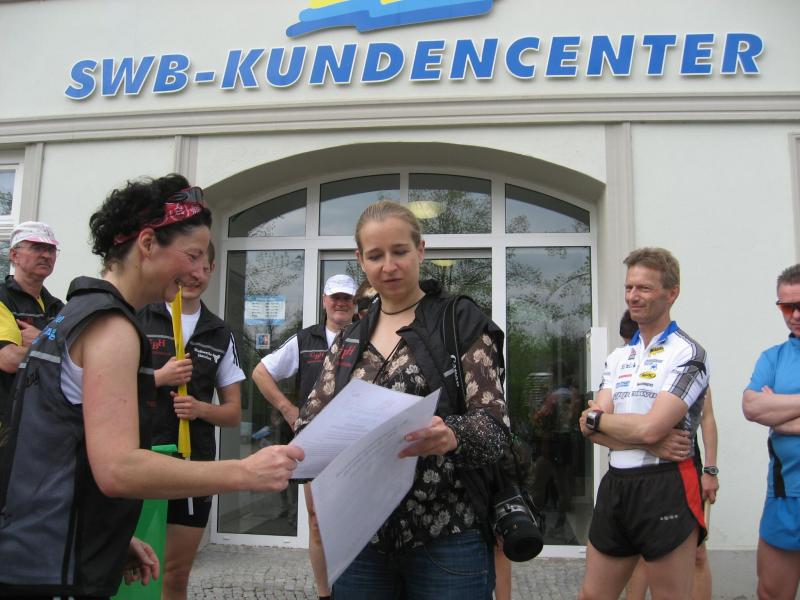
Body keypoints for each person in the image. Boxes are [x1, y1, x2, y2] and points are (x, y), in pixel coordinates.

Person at [0, 174, 303, 598]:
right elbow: (119, 469)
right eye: (192, 255)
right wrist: (244, 471)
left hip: (37, 551)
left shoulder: (73, 313)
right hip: (53, 569)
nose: (198, 272)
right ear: (146, 243)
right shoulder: (112, 328)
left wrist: (109, 533)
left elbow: (54, 450)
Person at [294, 200, 510, 599]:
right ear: (361, 260)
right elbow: (308, 424)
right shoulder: (349, 339)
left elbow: (496, 429)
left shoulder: (458, 321)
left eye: (399, 251)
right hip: (362, 541)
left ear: (420, 251)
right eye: (376, 256)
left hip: (447, 535)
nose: (389, 266)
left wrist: (451, 435)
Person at [577, 247, 709, 600]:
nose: (633, 296)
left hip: (665, 483)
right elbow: (588, 425)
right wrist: (644, 438)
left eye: (644, 288)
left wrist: (605, 421)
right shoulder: (619, 356)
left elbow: (647, 426)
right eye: (629, 287)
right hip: (617, 482)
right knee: (592, 596)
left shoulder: (688, 353)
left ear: (672, 293)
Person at [137, 240, 245, 600]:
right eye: (189, 263)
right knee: (131, 571)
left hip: (192, 464)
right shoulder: (140, 316)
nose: (195, 275)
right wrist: (158, 378)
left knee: (175, 572)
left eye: (204, 266)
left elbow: (232, 413)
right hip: (140, 458)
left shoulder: (219, 332)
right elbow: (105, 386)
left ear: (213, 270)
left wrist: (201, 409)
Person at [252, 272, 357, 600]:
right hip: (316, 444)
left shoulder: (367, 335)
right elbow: (260, 372)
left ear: (355, 303)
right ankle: (326, 593)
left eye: (347, 298)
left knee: (360, 520)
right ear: (325, 301)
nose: (340, 303)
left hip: (358, 441)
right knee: (317, 523)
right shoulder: (305, 339)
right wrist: (287, 409)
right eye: (335, 297)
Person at [620, 314, 720, 600]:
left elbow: (707, 419)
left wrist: (710, 470)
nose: (633, 347)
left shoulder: (683, 362)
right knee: (640, 552)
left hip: (684, 467)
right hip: (637, 471)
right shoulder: (624, 365)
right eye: (629, 343)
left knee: (697, 553)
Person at [742, 263, 800, 600]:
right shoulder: (773, 358)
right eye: (786, 307)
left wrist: (779, 415)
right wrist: (769, 413)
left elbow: (766, 411)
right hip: (785, 494)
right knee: (771, 593)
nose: (795, 315)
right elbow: (752, 408)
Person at [0, 221, 64, 444]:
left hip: (45, 422)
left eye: (51, 249)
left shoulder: (58, 307)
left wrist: (41, 340)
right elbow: (8, 359)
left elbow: (78, 359)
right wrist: (55, 346)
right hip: (6, 424)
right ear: (14, 255)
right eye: (37, 248)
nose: (46, 255)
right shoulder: (2, 299)